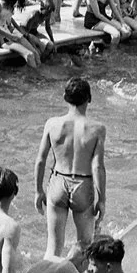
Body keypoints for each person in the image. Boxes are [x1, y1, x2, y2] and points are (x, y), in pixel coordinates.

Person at [35, 77, 106, 259]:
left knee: (53, 248)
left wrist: (38, 191)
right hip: (83, 182)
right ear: (89, 99)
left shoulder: (52, 124)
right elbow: (98, 167)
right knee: (84, 245)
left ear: (65, 98)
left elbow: (41, 160)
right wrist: (102, 199)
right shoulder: (97, 129)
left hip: (58, 180)